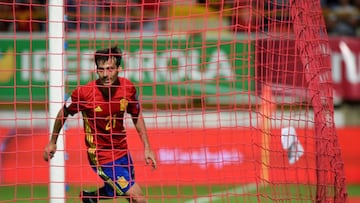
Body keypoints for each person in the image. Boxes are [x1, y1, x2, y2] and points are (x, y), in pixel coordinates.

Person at [43, 46, 157, 203]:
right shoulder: (84, 93)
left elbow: (136, 116)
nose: (105, 75)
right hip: (101, 156)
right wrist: (52, 142)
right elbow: (64, 112)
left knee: (118, 191)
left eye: (110, 69)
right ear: (96, 70)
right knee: (137, 197)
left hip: (122, 152)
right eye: (101, 70)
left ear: (119, 69)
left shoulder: (128, 88)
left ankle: (90, 198)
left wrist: (147, 147)